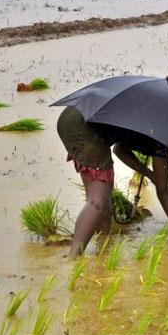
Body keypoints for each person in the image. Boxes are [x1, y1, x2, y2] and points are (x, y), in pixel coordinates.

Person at [57, 106, 114, 258]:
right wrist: (149, 173)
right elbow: (121, 150)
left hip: (69, 118)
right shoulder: (152, 126)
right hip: (83, 128)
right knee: (97, 201)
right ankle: (73, 256)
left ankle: (105, 245)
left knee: (103, 199)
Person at [111, 131, 168, 231]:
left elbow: (118, 149)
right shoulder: (162, 139)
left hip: (146, 132)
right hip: (159, 139)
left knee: (163, 187)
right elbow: (118, 149)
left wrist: (149, 174)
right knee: (164, 189)